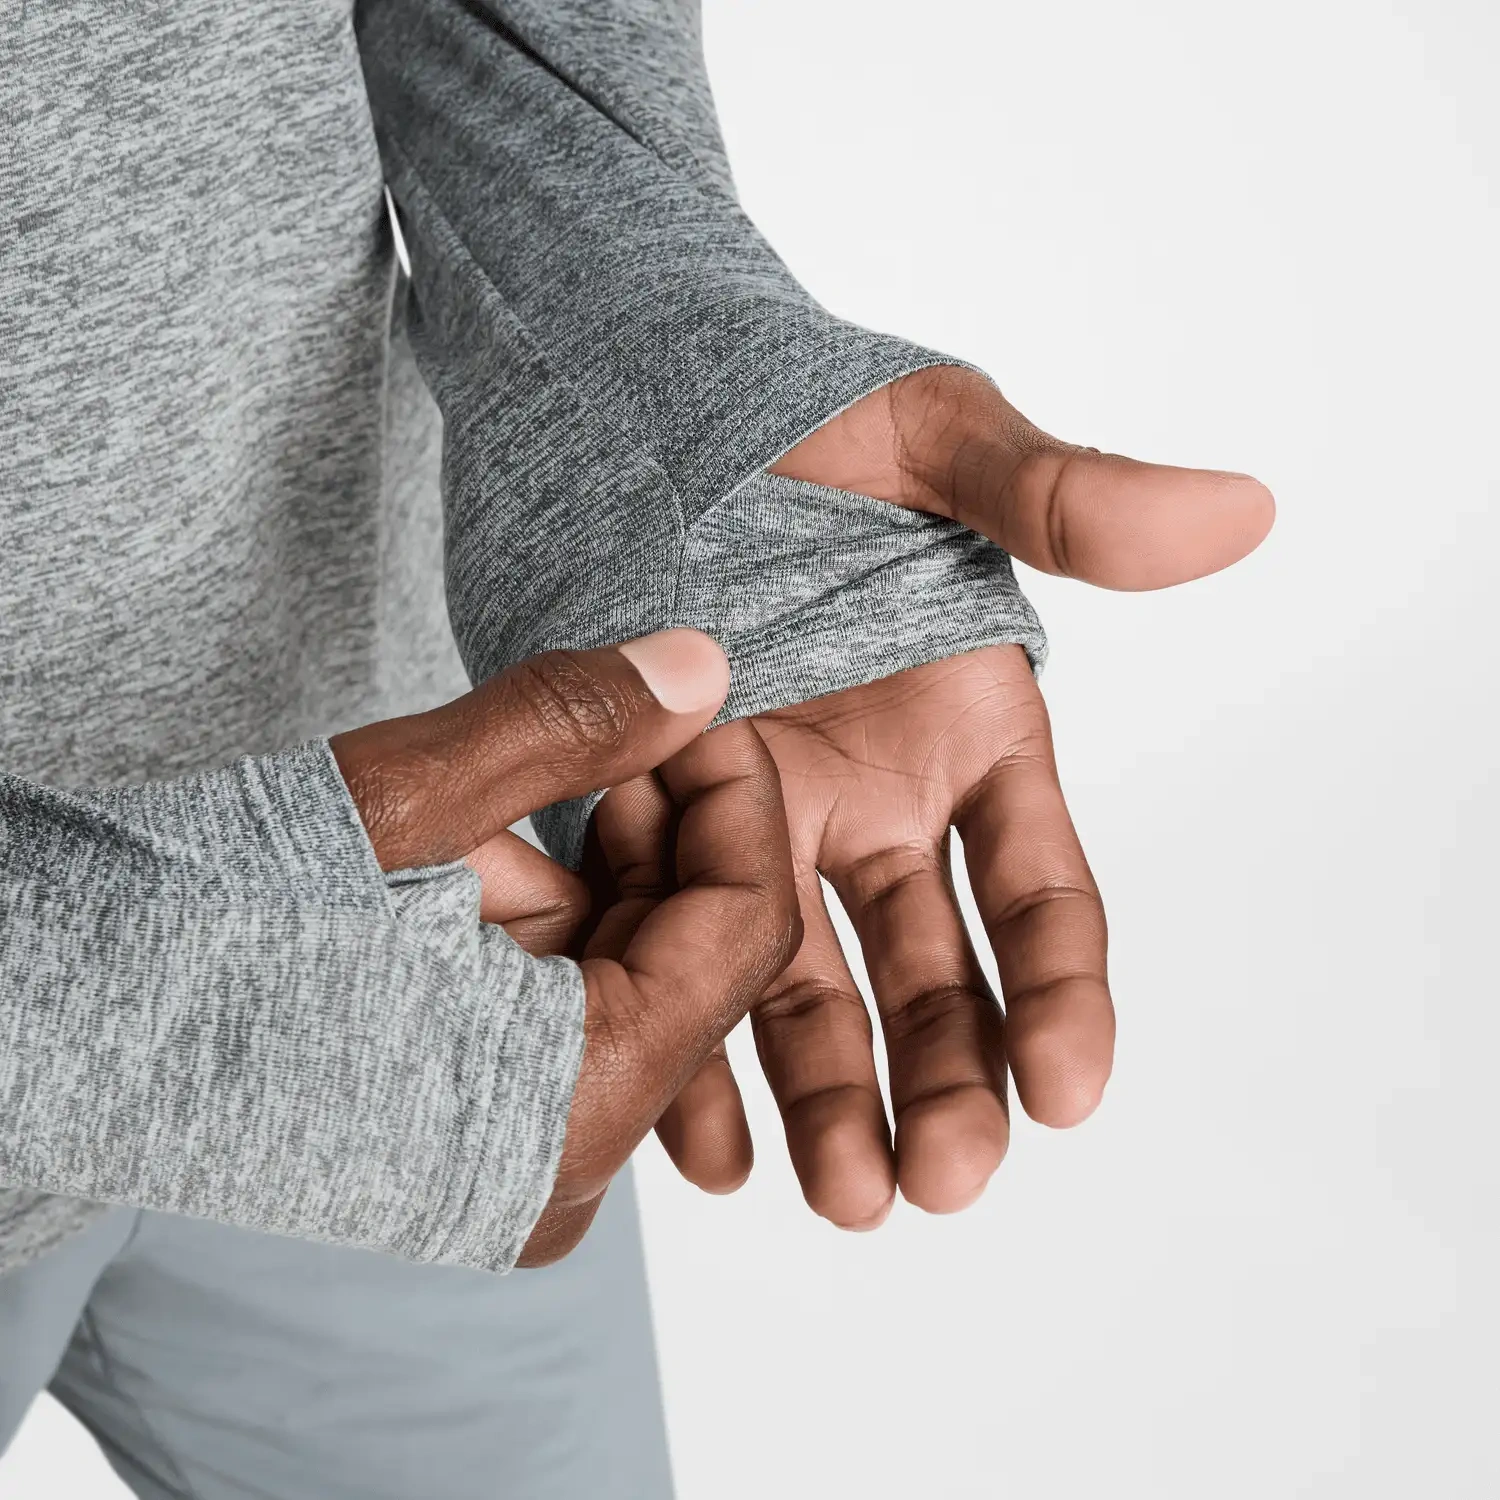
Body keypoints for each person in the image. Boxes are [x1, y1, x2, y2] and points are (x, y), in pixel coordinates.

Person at [0, 0, 1273, 1494]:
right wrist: (94, 1003)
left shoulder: (467, 1009)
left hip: (432, 943)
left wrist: (637, 351)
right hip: (372, 1048)